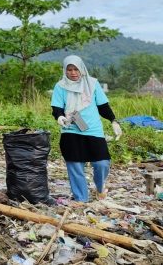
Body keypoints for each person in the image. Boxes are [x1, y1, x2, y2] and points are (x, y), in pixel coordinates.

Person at [52, 55, 122, 202]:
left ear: (82, 69)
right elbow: (57, 108)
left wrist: (113, 121)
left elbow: (103, 106)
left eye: (76, 69)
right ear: (65, 71)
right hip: (70, 129)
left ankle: (100, 187)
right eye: (69, 69)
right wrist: (59, 117)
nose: (73, 72)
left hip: (93, 130)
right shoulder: (60, 86)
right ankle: (81, 199)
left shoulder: (92, 84)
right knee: (75, 165)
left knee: (102, 163)